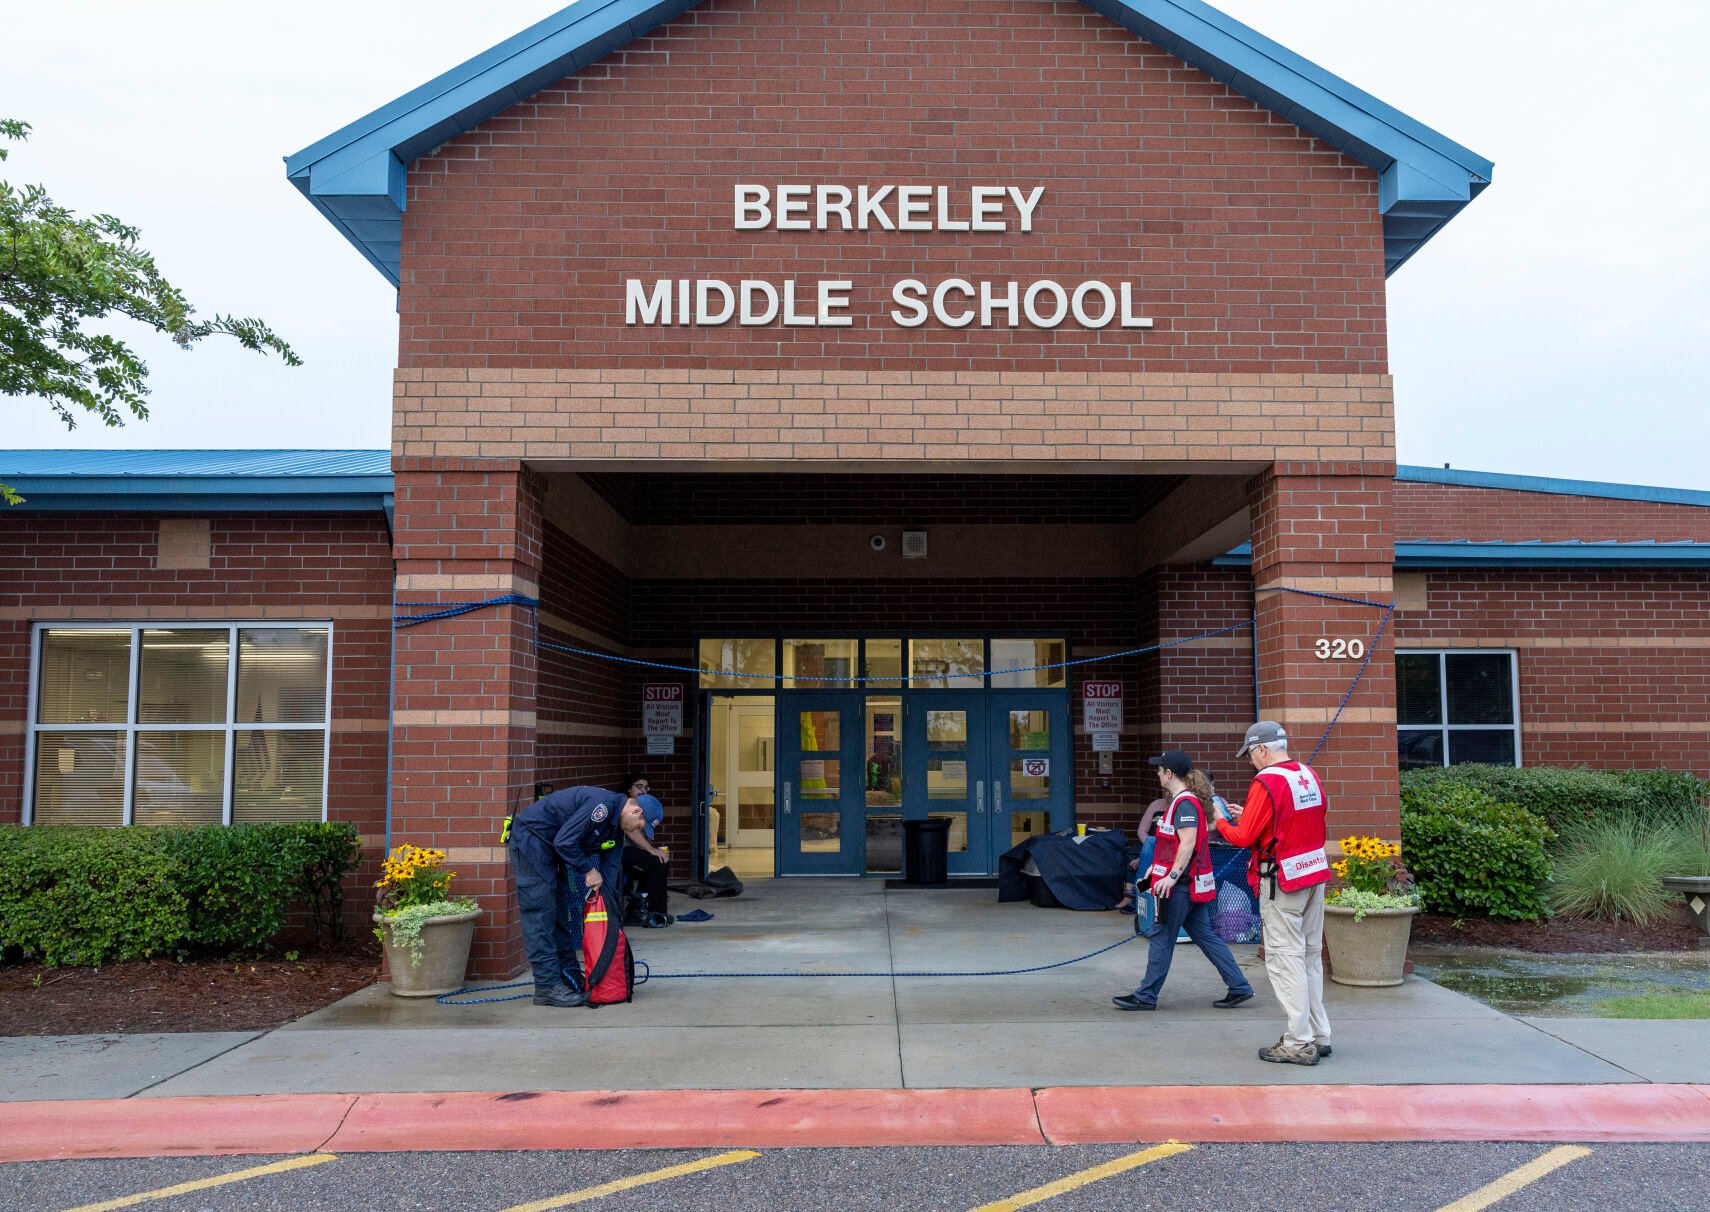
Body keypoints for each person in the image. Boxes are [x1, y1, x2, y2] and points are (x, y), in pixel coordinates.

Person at [1212, 721, 1332, 1065]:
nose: (1250, 761)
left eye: (1250, 754)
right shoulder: (1307, 774)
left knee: (1284, 959)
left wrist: (1221, 818)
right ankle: (1318, 1033)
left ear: (1262, 749)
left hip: (1282, 880)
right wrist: (1250, 816)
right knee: (1309, 956)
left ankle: (1298, 1041)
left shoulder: (1265, 781)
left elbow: (1242, 838)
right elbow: (1304, 817)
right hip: (1313, 872)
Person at [1112, 750, 1256, 1013]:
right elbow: (1170, 846)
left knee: (1160, 936)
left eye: (1159, 769)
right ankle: (1239, 986)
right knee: (1205, 936)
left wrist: (1171, 876)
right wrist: (1152, 873)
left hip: (1179, 888)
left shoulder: (1185, 805)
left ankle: (1146, 996)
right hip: (1185, 886)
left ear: (1169, 773)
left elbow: (1187, 844)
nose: (1156, 773)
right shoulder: (1178, 803)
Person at [507, 783, 663, 1007]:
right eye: (640, 826)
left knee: (560, 915)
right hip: (531, 842)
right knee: (540, 914)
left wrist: (610, 910)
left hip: (549, 850)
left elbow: (611, 872)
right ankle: (546, 986)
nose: (636, 831)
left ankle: (570, 977)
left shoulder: (617, 825)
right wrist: (588, 871)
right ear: (636, 811)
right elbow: (564, 841)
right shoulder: (603, 807)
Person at [619, 773, 674, 928]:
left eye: (646, 787)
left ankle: (651, 910)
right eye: (639, 786)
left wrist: (653, 850)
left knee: (659, 860)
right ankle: (648, 911)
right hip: (614, 852)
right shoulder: (625, 804)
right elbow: (630, 831)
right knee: (655, 861)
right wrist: (651, 849)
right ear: (629, 787)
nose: (643, 790)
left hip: (628, 853)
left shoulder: (646, 805)